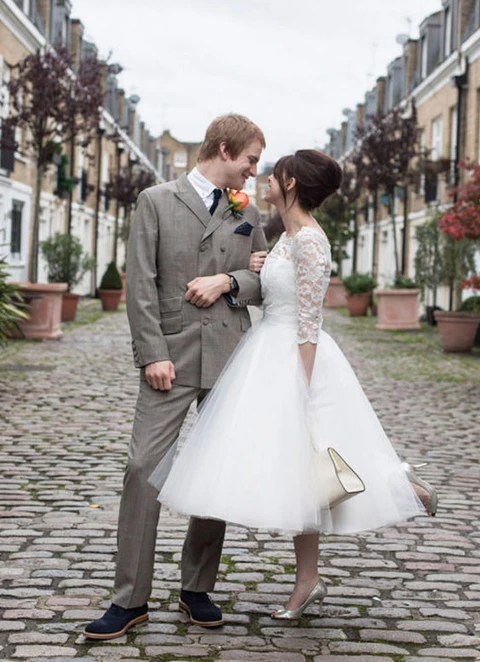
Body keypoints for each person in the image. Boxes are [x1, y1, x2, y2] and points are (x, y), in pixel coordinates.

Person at [149, 149, 437, 620]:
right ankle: (308, 582)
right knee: (301, 477)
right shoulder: (288, 236)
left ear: (292, 184)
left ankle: (402, 488)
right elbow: (272, 292)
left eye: (275, 173)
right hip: (266, 347)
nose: (264, 178)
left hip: (295, 358)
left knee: (317, 458)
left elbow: (309, 322)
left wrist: (299, 389)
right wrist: (259, 267)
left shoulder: (310, 242)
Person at [83, 114, 267, 640]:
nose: (255, 171)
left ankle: (197, 588)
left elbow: (264, 277)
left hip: (229, 355)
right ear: (226, 149)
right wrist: (151, 355)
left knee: (216, 472)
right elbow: (140, 282)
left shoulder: (248, 210)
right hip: (170, 357)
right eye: (251, 159)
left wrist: (231, 279)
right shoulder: (156, 200)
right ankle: (130, 599)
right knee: (142, 469)